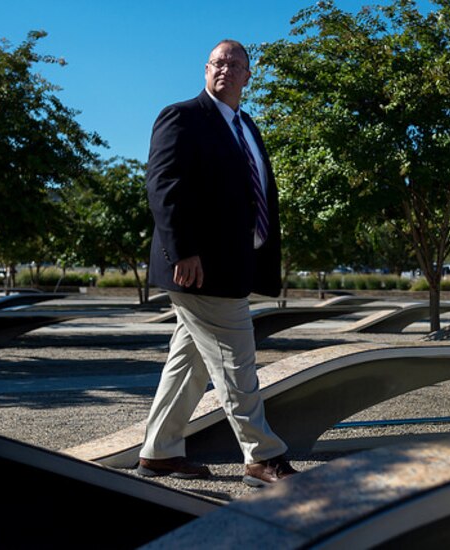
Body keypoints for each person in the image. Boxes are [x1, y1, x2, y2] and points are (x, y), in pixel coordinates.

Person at [138, 39, 297, 487]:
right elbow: (163, 186)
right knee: (235, 360)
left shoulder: (246, 125)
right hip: (196, 267)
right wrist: (183, 249)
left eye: (235, 63)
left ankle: (160, 451)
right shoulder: (183, 117)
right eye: (217, 62)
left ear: (248, 76)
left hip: (233, 263)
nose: (225, 68)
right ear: (206, 70)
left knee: (187, 363)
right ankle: (262, 456)